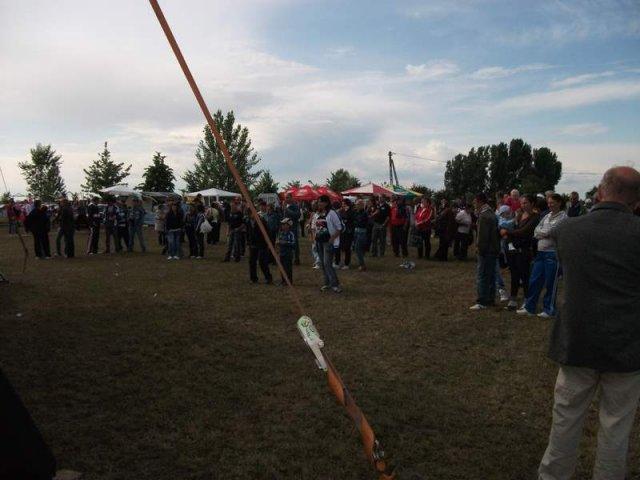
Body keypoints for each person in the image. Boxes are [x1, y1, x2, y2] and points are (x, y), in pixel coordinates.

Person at [538, 166, 640, 480]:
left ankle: (553, 475)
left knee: (565, 418)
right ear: (636, 201)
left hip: (577, 340)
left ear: (599, 191)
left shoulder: (568, 229)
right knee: (616, 426)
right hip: (627, 345)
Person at [518, 194, 567, 318]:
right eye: (548, 202)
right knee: (534, 280)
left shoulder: (563, 217)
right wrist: (544, 233)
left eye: (552, 202)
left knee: (550, 282)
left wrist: (543, 233)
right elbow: (536, 231)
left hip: (552, 254)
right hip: (540, 253)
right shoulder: (546, 216)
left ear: (559, 203)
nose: (550, 205)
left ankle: (549, 309)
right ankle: (529, 307)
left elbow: (553, 231)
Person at [502, 194, 540, 310]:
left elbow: (524, 231)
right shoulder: (519, 215)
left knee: (525, 275)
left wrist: (507, 232)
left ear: (532, 203)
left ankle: (527, 300)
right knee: (514, 274)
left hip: (524, 250)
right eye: (522, 203)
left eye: (525, 203)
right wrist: (508, 232)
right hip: (513, 249)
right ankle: (513, 300)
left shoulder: (535, 217)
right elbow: (514, 228)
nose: (523, 205)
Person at [470, 193, 499, 310]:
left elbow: (482, 236)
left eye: (475, 201)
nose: (473, 203)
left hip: (486, 250)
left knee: (482, 275)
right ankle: (490, 299)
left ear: (480, 201)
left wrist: (480, 249)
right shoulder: (491, 213)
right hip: (493, 249)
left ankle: (482, 301)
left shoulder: (484, 215)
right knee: (491, 275)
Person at [314, 194, 342, 293]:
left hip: (328, 242)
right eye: (318, 202)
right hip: (319, 241)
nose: (318, 203)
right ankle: (327, 283)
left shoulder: (332, 213)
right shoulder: (318, 213)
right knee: (322, 263)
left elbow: (340, 227)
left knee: (327, 264)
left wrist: (332, 238)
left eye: (320, 201)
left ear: (326, 203)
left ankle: (335, 284)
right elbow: (316, 226)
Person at [247, 200, 272, 284]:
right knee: (252, 261)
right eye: (249, 214)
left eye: (251, 213)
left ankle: (268, 278)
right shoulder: (248, 221)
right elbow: (248, 232)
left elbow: (267, 232)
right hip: (253, 244)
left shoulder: (261, 221)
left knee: (262, 262)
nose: (250, 215)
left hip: (262, 244)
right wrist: (249, 242)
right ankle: (253, 278)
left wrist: (268, 244)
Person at [336, 199, 355, 270]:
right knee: (338, 247)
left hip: (348, 232)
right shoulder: (341, 211)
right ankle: (337, 262)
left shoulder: (351, 211)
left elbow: (351, 221)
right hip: (341, 232)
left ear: (347, 204)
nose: (342, 205)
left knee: (347, 248)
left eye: (344, 203)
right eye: (342, 203)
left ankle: (347, 264)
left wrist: (345, 220)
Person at [283, 194, 301, 265]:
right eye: (285, 198)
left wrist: (286, 209)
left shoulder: (295, 206)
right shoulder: (285, 206)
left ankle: (296, 259)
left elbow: (297, 215)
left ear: (291, 198)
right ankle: (289, 258)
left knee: (294, 243)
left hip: (293, 227)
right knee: (287, 243)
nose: (286, 199)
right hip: (286, 228)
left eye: (287, 197)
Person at [278, 217, 296, 285]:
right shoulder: (281, 233)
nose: (282, 225)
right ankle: (283, 280)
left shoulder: (291, 234)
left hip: (288, 254)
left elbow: (293, 243)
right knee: (282, 267)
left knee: (288, 268)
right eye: (282, 224)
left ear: (288, 225)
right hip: (282, 253)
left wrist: (285, 243)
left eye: (284, 224)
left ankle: (289, 281)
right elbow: (279, 240)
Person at [353, 198, 369, 271]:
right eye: (356, 204)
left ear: (361, 205)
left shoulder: (364, 213)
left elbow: (361, 222)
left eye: (357, 205)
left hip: (361, 232)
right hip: (357, 231)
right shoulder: (357, 212)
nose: (356, 206)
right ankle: (361, 263)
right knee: (358, 248)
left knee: (358, 248)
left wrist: (357, 221)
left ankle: (362, 265)